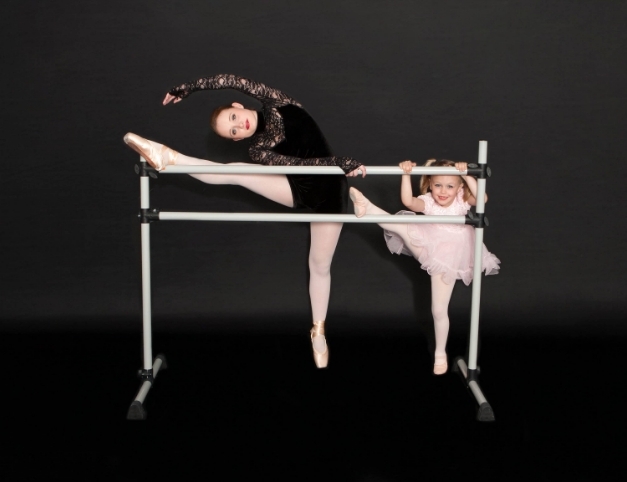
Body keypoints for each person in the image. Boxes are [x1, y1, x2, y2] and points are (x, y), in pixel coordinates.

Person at [124, 74, 367, 369]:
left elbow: (228, 79)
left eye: (234, 117)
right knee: (236, 171)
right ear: (237, 138)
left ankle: (318, 329)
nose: (240, 126)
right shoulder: (258, 149)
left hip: (331, 195)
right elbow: (302, 166)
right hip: (300, 189)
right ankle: (167, 157)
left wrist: (187, 88)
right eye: (234, 131)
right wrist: (341, 163)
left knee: (319, 264)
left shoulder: (277, 100)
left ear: (239, 104)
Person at [349, 159, 500, 374]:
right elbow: (408, 203)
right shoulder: (428, 201)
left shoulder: (462, 198)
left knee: (438, 309)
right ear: (429, 184)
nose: (443, 191)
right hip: (428, 245)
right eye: (438, 185)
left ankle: (440, 353)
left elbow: (483, 199)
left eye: (450, 186)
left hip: (452, 256)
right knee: (399, 224)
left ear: (459, 188)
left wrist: (467, 174)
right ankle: (367, 206)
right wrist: (405, 174)